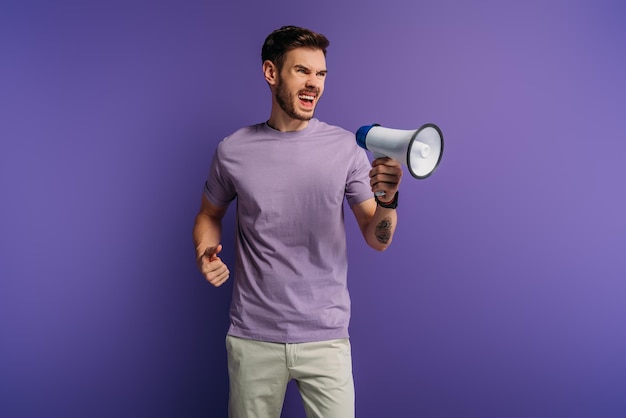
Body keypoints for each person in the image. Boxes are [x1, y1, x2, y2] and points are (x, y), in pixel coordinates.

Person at [193, 25, 403, 418]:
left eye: (321, 73)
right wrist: (206, 251)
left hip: (326, 339)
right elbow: (208, 214)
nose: (314, 84)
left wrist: (387, 199)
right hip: (253, 338)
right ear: (272, 73)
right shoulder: (233, 150)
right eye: (302, 71)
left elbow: (378, 238)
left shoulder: (346, 149)